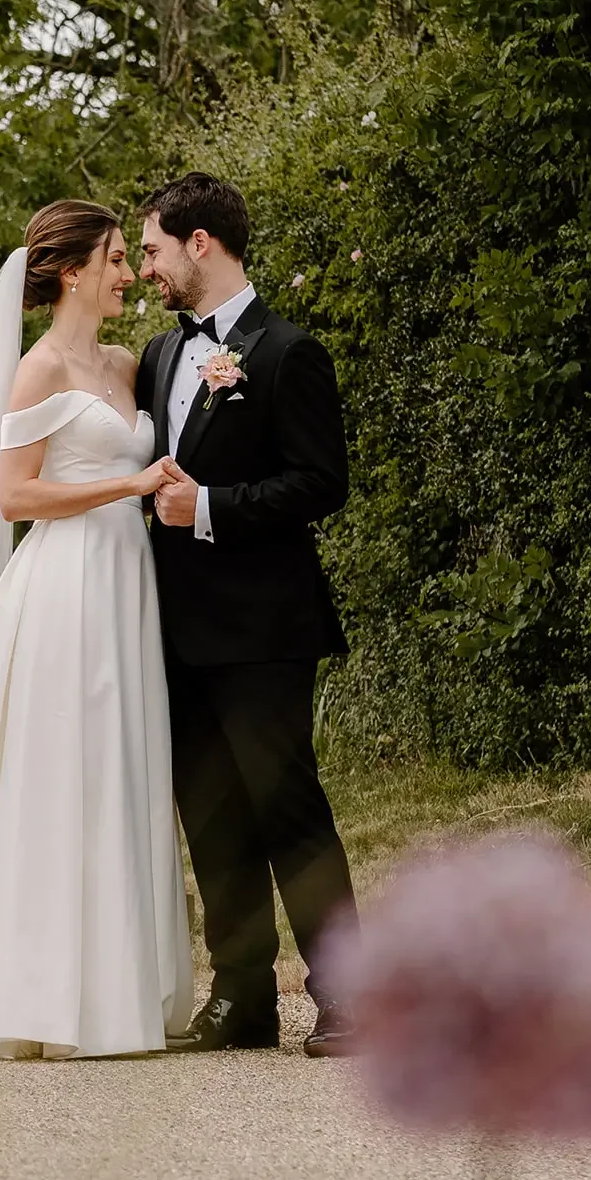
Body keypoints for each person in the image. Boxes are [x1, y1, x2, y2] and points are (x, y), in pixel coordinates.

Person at [0, 200, 194, 1058]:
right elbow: (13, 498)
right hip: (63, 586)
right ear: (72, 271)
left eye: (131, 258)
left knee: (122, 767)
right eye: (118, 259)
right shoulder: (38, 369)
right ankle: (37, 996)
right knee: (63, 772)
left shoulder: (128, 364)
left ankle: (117, 992)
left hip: (127, 586)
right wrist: (124, 489)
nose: (130, 273)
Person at [135, 173, 358, 1057]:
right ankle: (241, 1001)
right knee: (211, 815)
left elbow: (321, 483)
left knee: (286, 808)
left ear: (200, 244)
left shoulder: (286, 352)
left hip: (265, 631)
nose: (145, 267)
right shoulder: (157, 357)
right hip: (175, 631)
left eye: (151, 248)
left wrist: (214, 507)